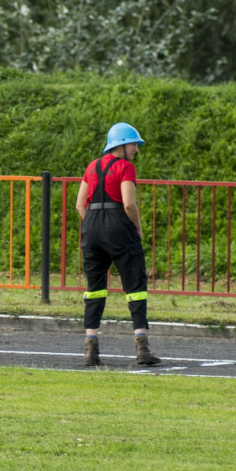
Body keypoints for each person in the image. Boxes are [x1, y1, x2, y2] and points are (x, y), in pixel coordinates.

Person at [74, 122, 161, 367]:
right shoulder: (126, 167)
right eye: (134, 144)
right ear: (121, 146)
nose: (136, 149)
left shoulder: (92, 166)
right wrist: (137, 228)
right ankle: (142, 350)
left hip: (91, 228)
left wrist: (94, 225)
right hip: (119, 229)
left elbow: (80, 204)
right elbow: (128, 204)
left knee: (94, 289)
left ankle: (91, 351)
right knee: (135, 287)